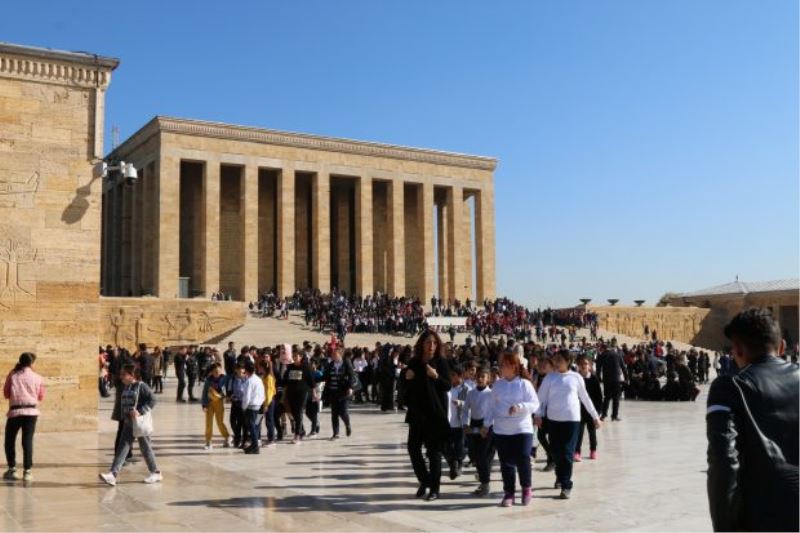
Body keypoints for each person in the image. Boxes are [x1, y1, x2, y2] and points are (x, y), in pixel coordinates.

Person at [706, 308, 799, 532]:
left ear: (736, 350)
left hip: (762, 516)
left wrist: (723, 527)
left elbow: (723, 461)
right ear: (782, 346)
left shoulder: (729, 387)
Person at [535, 349, 601, 499]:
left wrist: (595, 417)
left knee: (567, 453)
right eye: (555, 360)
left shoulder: (576, 377)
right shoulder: (549, 378)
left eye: (560, 360)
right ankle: (560, 476)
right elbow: (541, 398)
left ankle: (566, 485)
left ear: (568, 362)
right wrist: (538, 415)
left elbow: (585, 398)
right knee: (557, 452)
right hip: (554, 420)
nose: (556, 363)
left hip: (572, 420)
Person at [483, 350, 540, 507]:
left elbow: (535, 403)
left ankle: (526, 488)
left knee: (523, 458)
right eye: (502, 365)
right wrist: (486, 424)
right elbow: (491, 407)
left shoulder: (524, 384)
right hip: (502, 430)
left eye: (507, 365)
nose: (503, 368)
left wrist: (520, 407)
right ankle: (509, 493)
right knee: (506, 463)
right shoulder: (497, 385)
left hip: (522, 428)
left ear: (515, 367)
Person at [404, 329, 451, 502]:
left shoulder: (441, 362)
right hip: (417, 413)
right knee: (413, 449)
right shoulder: (415, 362)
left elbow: (447, 386)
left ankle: (435, 489)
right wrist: (406, 376)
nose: (431, 346)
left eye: (434, 343)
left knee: (434, 453)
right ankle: (425, 480)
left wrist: (436, 376)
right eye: (428, 342)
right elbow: (405, 381)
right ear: (422, 344)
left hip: (434, 414)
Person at [99, 365, 162, 486]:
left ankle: (156, 472)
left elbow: (153, 399)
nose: (121, 376)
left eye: (124, 374)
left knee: (146, 448)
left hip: (139, 423)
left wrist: (140, 410)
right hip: (128, 423)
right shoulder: (127, 386)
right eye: (121, 374)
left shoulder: (141, 386)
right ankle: (113, 474)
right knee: (122, 449)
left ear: (132, 375)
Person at [3, 353, 45, 482]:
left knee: (9, 440)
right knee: (27, 441)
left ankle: (12, 469)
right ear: (31, 363)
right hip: (31, 413)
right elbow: (41, 396)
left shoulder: (13, 375)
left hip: (15, 412)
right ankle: (27, 471)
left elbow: (6, 393)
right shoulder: (38, 377)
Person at [464, 365, 495, 496]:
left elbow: (492, 411)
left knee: (483, 455)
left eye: (483, 377)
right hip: (474, 425)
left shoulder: (491, 394)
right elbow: (466, 409)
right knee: (475, 455)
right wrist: (465, 423)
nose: (480, 379)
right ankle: (483, 477)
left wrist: (486, 426)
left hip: (487, 427)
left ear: (488, 379)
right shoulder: (471, 393)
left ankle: (485, 483)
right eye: (478, 376)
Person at [283, 348, 315, 443]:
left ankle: (297, 435)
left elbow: (311, 381)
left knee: (299, 412)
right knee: (293, 413)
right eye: (293, 356)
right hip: (291, 393)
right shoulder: (290, 367)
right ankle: (302, 430)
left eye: (296, 356)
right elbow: (285, 380)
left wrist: (314, 392)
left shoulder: (306, 367)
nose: (295, 358)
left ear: (301, 357)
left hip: (302, 393)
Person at [322, 346, 354, 440]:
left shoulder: (346, 363)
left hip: (343, 392)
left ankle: (347, 424)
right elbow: (325, 376)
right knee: (334, 413)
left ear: (340, 355)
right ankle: (336, 433)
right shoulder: (331, 364)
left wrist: (350, 387)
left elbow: (351, 375)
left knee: (343, 411)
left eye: (335, 354)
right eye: (332, 354)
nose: (333, 356)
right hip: (332, 391)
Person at [575, 355, 602, 461]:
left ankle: (593, 450)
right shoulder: (576, 378)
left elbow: (599, 397)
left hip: (591, 411)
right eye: (581, 364)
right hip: (579, 411)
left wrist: (598, 413)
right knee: (579, 433)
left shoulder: (594, 379)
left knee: (592, 432)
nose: (583, 366)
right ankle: (577, 452)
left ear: (590, 366)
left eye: (585, 364)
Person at [445, 365, 470, 480]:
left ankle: (457, 464)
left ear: (460, 376)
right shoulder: (447, 388)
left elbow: (470, 404)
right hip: (448, 422)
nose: (451, 377)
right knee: (447, 446)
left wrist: (461, 403)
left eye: (454, 375)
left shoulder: (466, 389)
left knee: (460, 446)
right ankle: (452, 463)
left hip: (460, 423)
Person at [200, 363, 231, 450]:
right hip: (209, 403)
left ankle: (227, 437)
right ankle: (208, 441)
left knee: (219, 422)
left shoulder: (225, 379)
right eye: (215, 371)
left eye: (218, 371)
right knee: (208, 422)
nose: (217, 373)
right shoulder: (208, 380)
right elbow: (204, 392)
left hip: (219, 402)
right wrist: (204, 404)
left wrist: (226, 395)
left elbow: (228, 390)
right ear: (212, 372)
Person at [240, 360, 265, 454]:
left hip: (251, 407)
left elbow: (247, 396)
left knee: (252, 427)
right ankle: (254, 445)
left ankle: (255, 446)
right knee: (255, 426)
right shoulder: (258, 379)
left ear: (246, 370)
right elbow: (263, 393)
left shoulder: (249, 381)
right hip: (259, 405)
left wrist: (244, 407)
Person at [596, 345, 627, 421]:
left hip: (607, 379)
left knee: (607, 397)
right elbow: (623, 367)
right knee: (616, 398)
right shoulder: (617, 355)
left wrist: (599, 378)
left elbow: (598, 368)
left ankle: (603, 415)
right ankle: (614, 416)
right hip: (616, 379)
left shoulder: (602, 355)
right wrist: (626, 378)